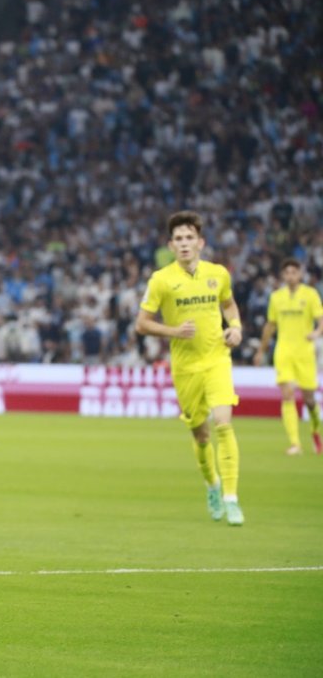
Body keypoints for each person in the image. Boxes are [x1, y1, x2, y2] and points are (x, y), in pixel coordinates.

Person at [135, 211, 246, 526]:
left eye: (189, 238)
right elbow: (141, 324)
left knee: (224, 424)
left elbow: (228, 304)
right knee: (201, 434)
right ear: (171, 245)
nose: (184, 244)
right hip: (185, 368)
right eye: (178, 239)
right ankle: (212, 485)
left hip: (217, 359)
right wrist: (173, 331)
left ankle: (231, 498)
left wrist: (235, 327)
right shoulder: (161, 280)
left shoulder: (218, 274)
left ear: (201, 242)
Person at [253, 259, 323, 455]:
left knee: (309, 400)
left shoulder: (310, 295)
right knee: (287, 394)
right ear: (283, 276)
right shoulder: (276, 297)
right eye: (287, 272)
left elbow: (321, 320)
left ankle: (316, 432)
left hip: (305, 352)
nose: (291, 276)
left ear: (300, 274)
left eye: (294, 272)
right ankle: (295, 443)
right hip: (284, 351)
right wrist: (261, 350)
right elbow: (270, 325)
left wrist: (317, 333)